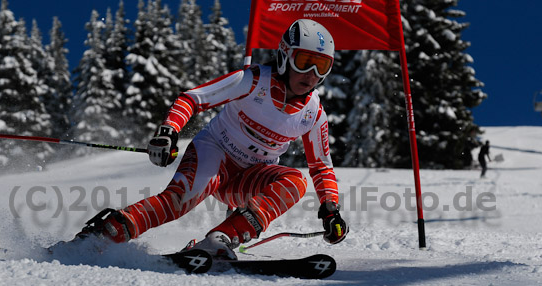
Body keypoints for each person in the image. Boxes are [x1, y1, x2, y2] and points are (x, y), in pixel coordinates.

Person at [68, 19, 348, 259]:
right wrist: (168, 131)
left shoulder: (314, 114)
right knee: (178, 202)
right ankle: (103, 236)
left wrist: (330, 209)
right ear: (285, 55)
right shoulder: (253, 81)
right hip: (215, 153)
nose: (312, 75)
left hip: (246, 178)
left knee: (294, 182)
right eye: (304, 62)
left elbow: (321, 167)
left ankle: (220, 239)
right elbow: (193, 98)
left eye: (322, 66)